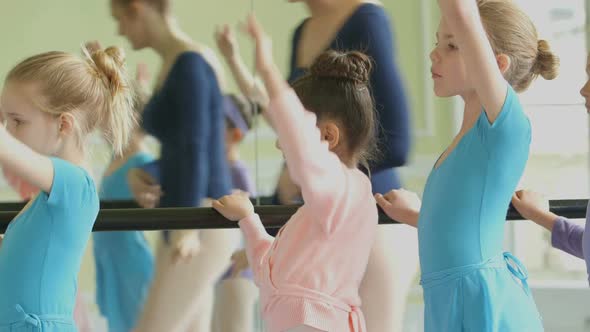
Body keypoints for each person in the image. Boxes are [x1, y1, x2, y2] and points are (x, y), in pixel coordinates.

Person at [376, 0, 559, 330]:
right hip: (453, 298)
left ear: (496, 65)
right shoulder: (467, 139)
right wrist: (416, 217)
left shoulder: (507, 126)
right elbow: (462, 223)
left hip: (481, 300)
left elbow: (461, 12)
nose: (435, 54)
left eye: (452, 45)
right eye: (437, 42)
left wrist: (462, 18)